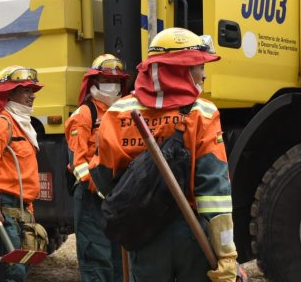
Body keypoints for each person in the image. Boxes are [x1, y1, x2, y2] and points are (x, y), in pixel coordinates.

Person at [92, 28, 238, 282]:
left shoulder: (117, 112)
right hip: (192, 233)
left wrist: (136, 205)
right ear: (180, 68)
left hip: (143, 234)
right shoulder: (201, 113)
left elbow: (103, 176)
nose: (203, 74)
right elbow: (215, 192)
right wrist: (226, 253)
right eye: (197, 65)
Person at [0, 65, 43, 282]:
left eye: (32, 90)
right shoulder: (0, 124)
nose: (31, 96)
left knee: (20, 270)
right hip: (2, 209)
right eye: (25, 90)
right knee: (11, 272)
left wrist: (29, 212)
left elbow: (23, 176)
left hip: (19, 210)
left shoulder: (22, 126)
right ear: (9, 93)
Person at [65, 54, 129, 282]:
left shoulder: (124, 113)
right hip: (92, 198)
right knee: (96, 257)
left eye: (116, 81)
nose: (112, 86)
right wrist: (99, 187)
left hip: (118, 195)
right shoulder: (85, 114)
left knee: (121, 260)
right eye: (106, 80)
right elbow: (78, 162)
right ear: (94, 83)